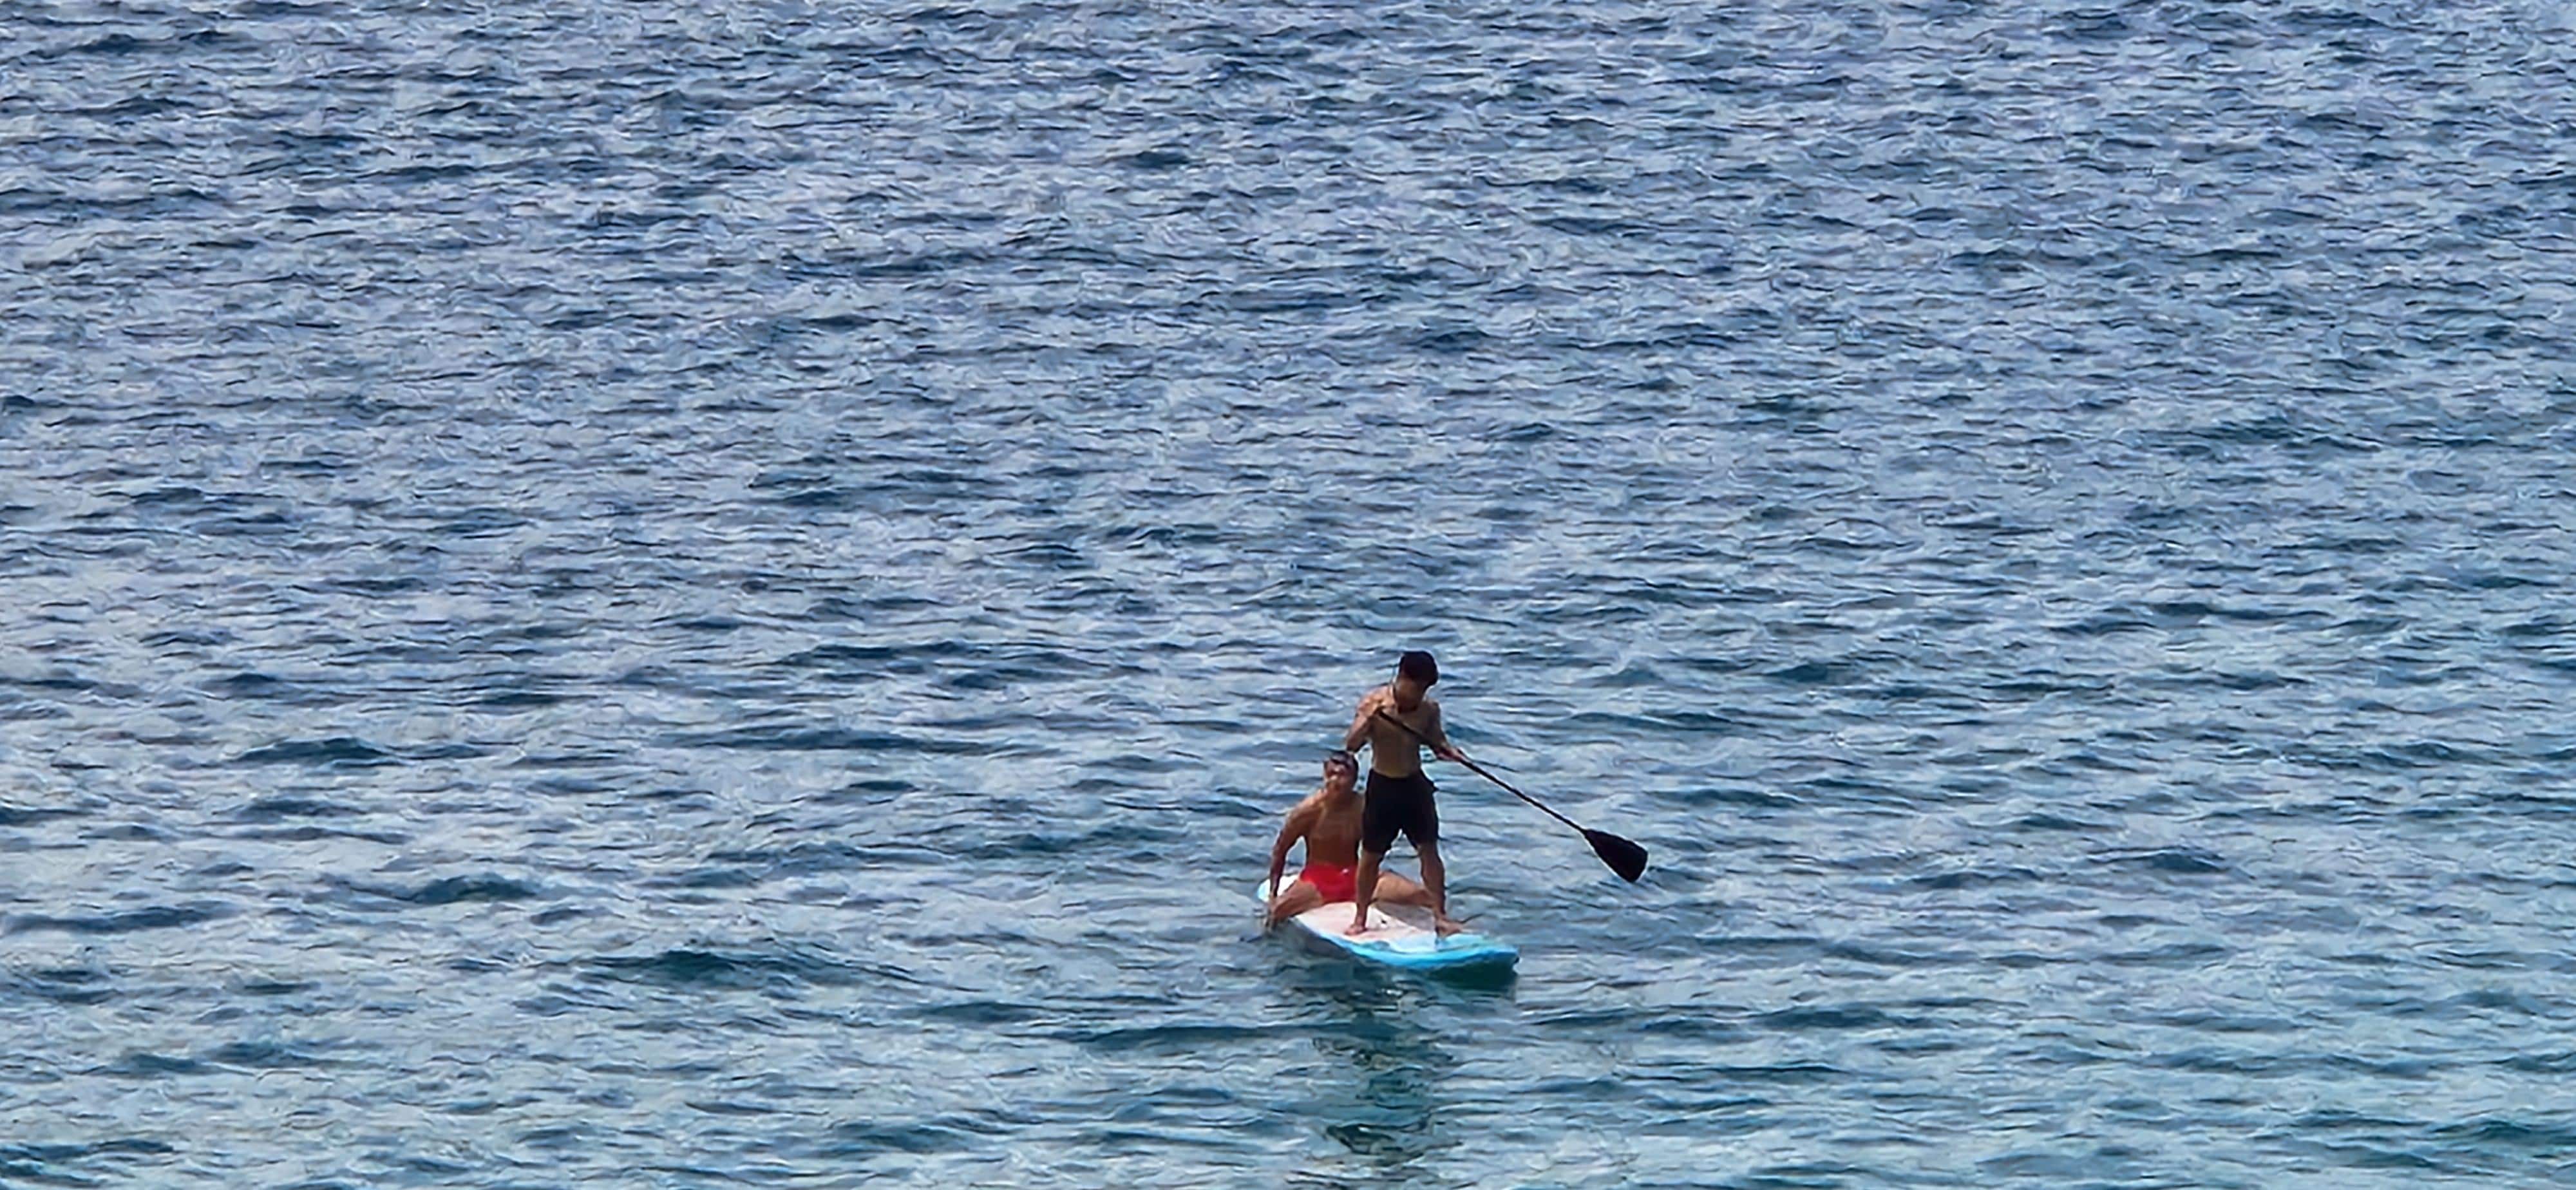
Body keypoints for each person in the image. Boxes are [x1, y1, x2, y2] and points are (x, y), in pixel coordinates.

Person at [1343, 650, 1466, 936]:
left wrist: (1451, 752)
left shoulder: (1429, 710)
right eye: (1417, 687)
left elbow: (1437, 742)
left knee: (1429, 852)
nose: (1420, 695)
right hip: (1383, 786)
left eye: (1425, 689)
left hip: (1414, 786)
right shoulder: (1374, 703)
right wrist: (1367, 719)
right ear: (1401, 678)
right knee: (1371, 856)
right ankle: (1360, 918)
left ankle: (1440, 916)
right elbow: (1351, 745)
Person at [1262, 751, 1439, 929]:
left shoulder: (1364, 808)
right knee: (1277, 912)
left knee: (1426, 895)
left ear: (1354, 780)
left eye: (1342, 775)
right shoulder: (1308, 811)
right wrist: (1273, 894)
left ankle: (1446, 923)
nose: (1335, 781)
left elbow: (1388, 837)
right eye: (1331, 774)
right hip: (1319, 880)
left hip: (1359, 877)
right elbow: (1280, 850)